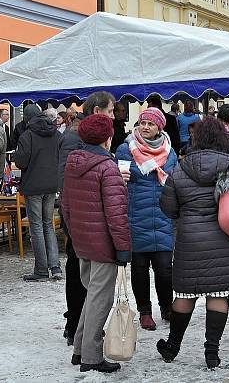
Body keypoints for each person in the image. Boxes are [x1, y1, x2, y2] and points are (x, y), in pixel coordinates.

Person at [158, 117, 229, 369]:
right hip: (226, 241)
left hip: (190, 242)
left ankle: (172, 346)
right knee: (218, 294)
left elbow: (168, 209)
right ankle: (212, 353)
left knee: (185, 294)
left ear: (196, 139)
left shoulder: (179, 170)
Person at [61, 113, 131, 374]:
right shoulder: (107, 167)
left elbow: (65, 205)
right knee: (99, 301)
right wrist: (123, 248)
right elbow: (116, 214)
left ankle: (80, 349)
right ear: (108, 138)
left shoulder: (73, 163)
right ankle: (91, 355)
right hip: (103, 244)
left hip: (82, 241)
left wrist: (74, 234)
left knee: (92, 298)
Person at [58, 91, 117, 345]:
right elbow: (68, 178)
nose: (114, 117)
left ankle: (84, 330)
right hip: (82, 217)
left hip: (85, 216)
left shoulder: (79, 137)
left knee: (89, 279)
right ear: (97, 112)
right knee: (79, 275)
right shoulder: (75, 138)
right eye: (111, 111)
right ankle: (75, 327)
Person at [115, 107, 177, 331]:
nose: (145, 127)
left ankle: (166, 306)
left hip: (162, 216)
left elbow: (175, 180)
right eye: (142, 123)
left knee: (164, 269)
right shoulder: (126, 149)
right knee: (139, 269)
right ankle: (145, 311)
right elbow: (118, 180)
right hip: (136, 216)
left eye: (151, 124)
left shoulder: (169, 152)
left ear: (159, 127)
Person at [14, 104, 63, 281]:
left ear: (27, 119)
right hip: (51, 184)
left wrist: (16, 155)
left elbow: (21, 162)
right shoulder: (57, 133)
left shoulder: (27, 135)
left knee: (37, 227)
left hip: (34, 186)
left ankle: (41, 270)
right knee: (48, 225)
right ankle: (55, 267)